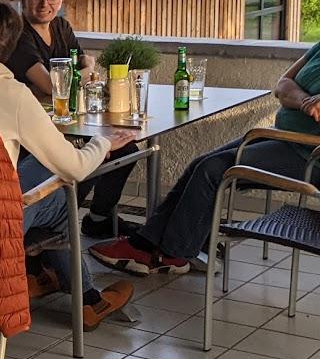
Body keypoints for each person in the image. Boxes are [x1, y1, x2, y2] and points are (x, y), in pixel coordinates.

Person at [0, 0, 135, 330]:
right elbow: (76, 168)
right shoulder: (13, 95)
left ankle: (37, 273)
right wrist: (103, 142)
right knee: (62, 192)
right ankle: (87, 300)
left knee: (38, 167)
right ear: (11, 46)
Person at [91, 44, 320, 276]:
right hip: (282, 137)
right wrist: (305, 101)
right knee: (199, 164)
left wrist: (303, 101)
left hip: (309, 154)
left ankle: (172, 252)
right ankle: (153, 243)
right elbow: (282, 85)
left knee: (211, 171)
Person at [8, 0, 135, 239]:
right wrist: (82, 72)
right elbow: (52, 87)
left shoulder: (61, 27)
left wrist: (75, 75)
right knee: (89, 155)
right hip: (33, 131)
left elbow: (75, 72)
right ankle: (57, 220)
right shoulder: (18, 35)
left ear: (61, 0)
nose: (45, 4)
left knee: (125, 149)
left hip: (69, 121)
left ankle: (98, 217)